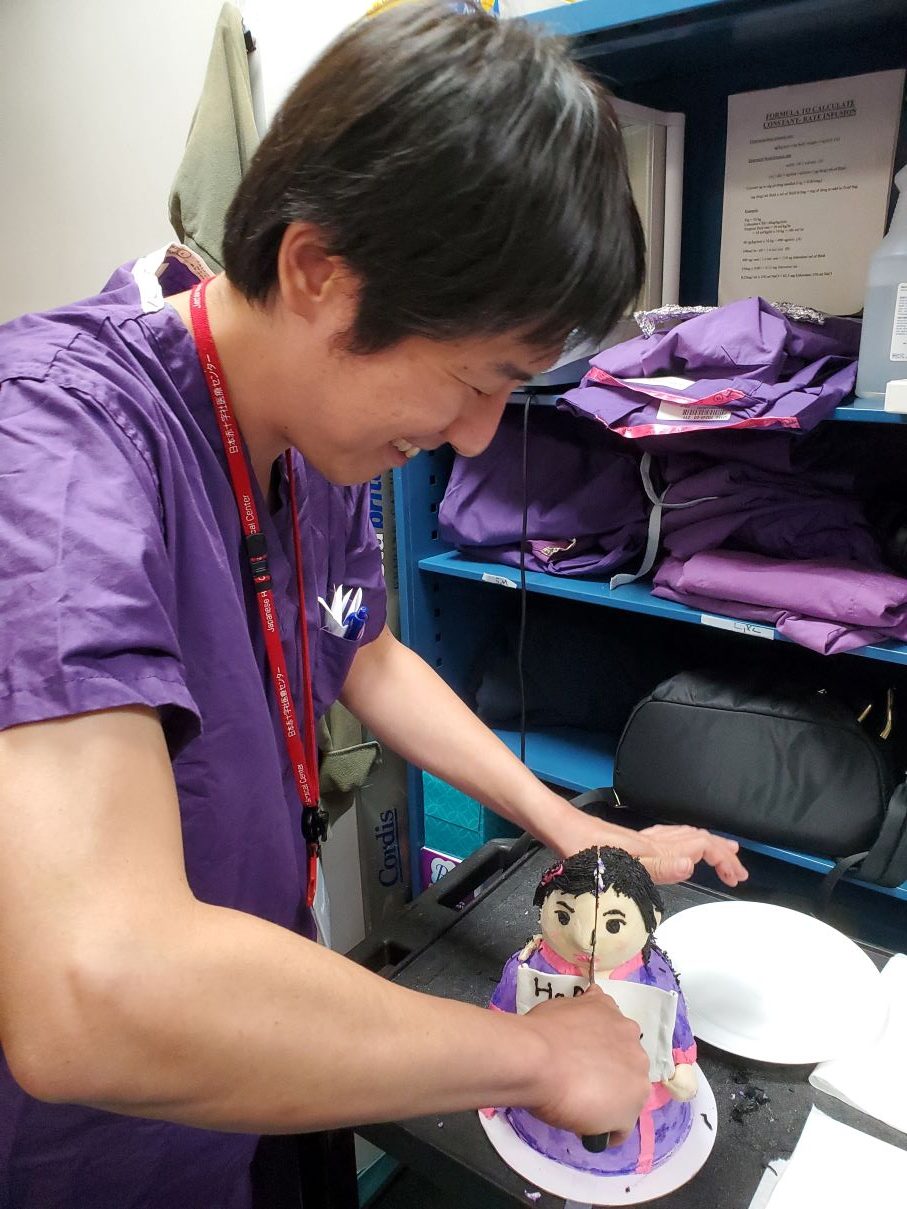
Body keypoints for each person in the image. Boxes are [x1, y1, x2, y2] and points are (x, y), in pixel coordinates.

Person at [0, 4, 746, 1206]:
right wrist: (535, 1057)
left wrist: (566, 827)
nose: (475, 436)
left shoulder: (312, 431)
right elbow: (95, 995)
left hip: (269, 1033)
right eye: (473, 379)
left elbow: (363, 647)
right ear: (316, 270)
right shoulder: (53, 449)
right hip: (100, 1141)